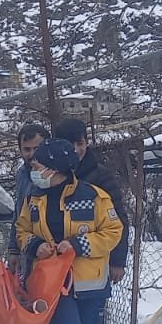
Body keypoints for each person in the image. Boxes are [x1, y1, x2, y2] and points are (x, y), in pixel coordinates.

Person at [16, 138, 123, 324]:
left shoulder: (94, 196)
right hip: (52, 284)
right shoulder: (33, 199)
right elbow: (21, 229)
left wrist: (78, 244)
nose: (34, 170)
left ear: (54, 168)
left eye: (38, 165)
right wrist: (35, 245)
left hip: (89, 284)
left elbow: (113, 231)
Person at [52, 117, 130, 285]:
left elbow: (119, 218)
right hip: (55, 267)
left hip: (93, 265)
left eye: (80, 143)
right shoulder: (49, 177)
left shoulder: (100, 176)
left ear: (87, 143)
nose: (76, 149)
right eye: (69, 144)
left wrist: (117, 261)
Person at [8, 123, 51, 272]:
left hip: (50, 252)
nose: (32, 154)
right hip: (28, 250)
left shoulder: (57, 175)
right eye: (27, 149)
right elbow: (18, 212)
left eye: (37, 148)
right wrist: (14, 250)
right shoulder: (22, 174)